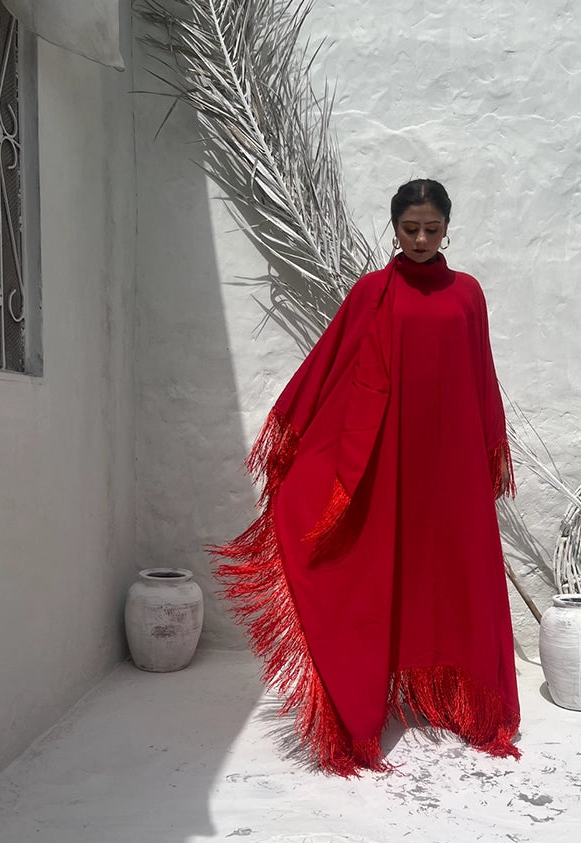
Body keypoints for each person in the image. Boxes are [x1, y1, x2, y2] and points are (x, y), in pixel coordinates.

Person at [213, 179, 520, 775]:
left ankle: (456, 699)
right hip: (389, 464)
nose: (423, 240)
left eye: (433, 229)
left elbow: (482, 375)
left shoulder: (468, 295)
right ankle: (364, 701)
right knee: (379, 572)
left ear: (448, 226)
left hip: (451, 465)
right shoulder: (372, 293)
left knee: (452, 575)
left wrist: (487, 450)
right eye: (411, 229)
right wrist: (299, 441)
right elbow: (333, 367)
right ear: (394, 227)